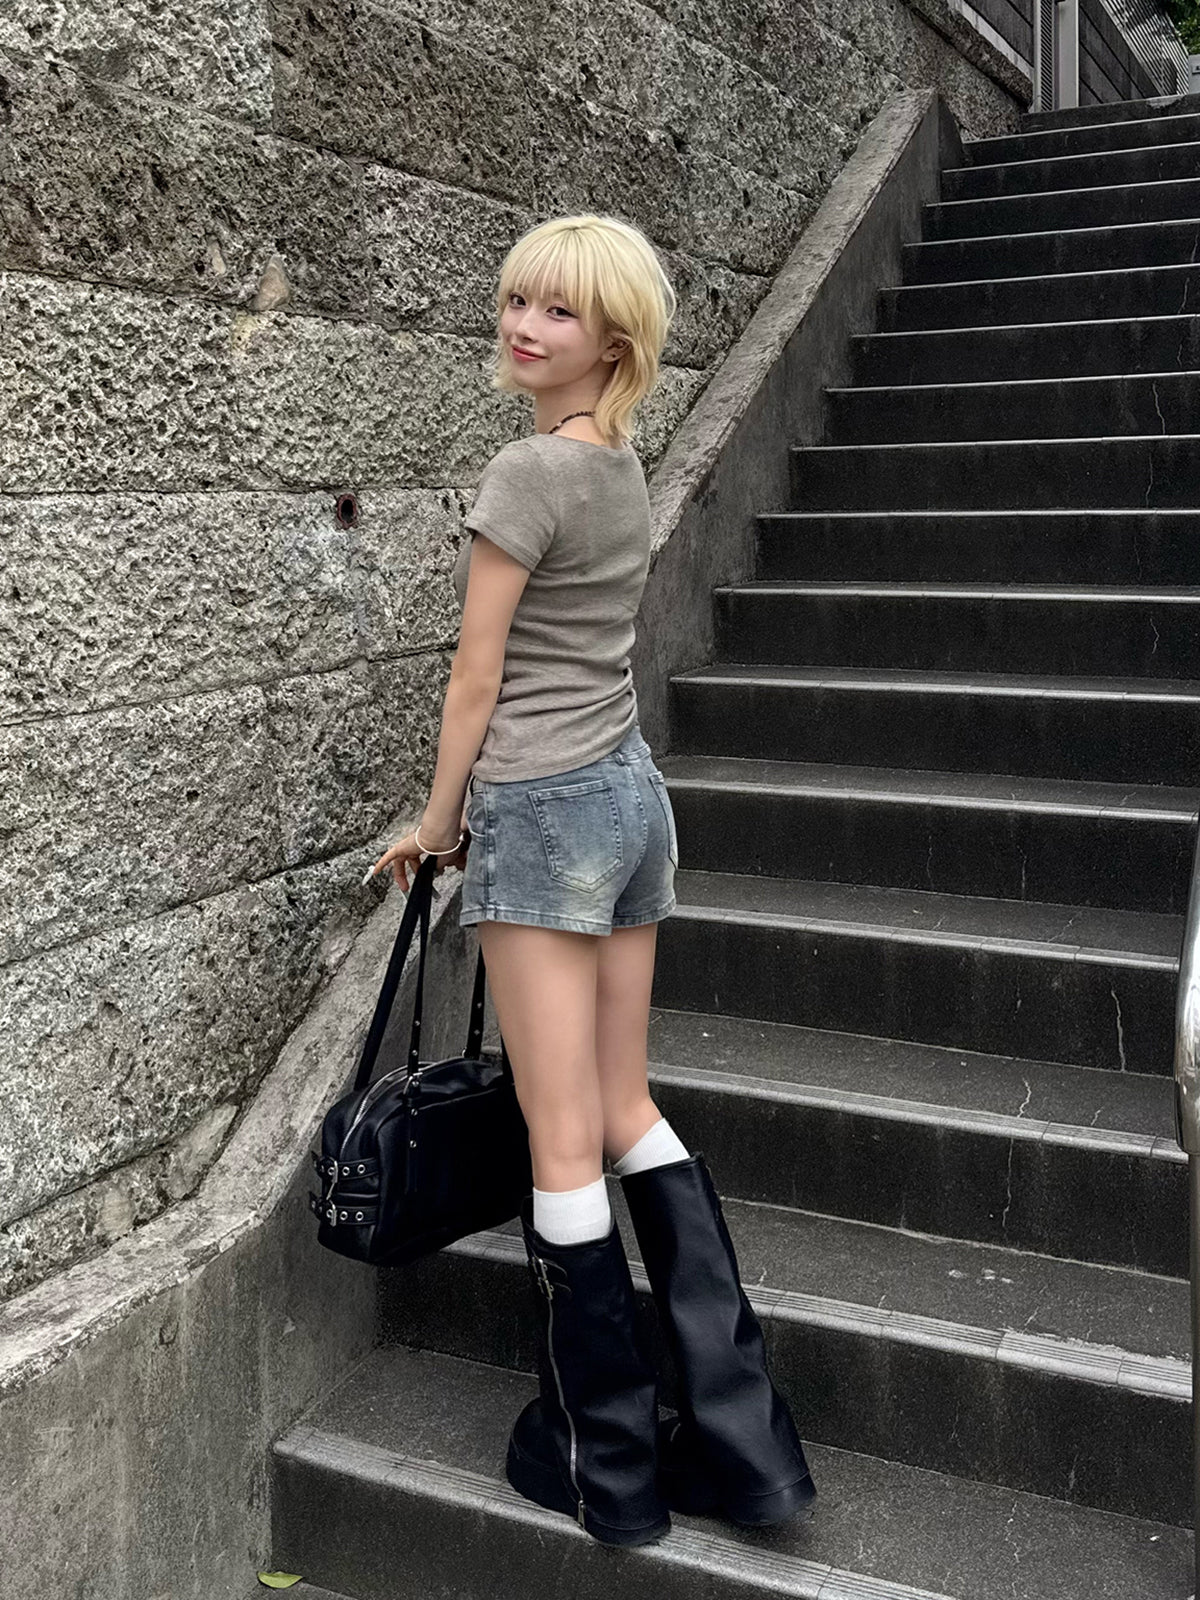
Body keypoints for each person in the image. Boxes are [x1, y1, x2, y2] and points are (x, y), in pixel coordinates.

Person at [366, 214, 815, 1546]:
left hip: (545, 808)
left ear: (615, 339)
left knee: (562, 1133)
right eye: (517, 299)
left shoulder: (527, 473)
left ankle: (603, 1458)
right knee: (624, 1105)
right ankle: (741, 1443)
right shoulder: (617, 462)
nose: (523, 326)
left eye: (557, 311)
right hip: (630, 799)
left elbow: (476, 676)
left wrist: (437, 826)